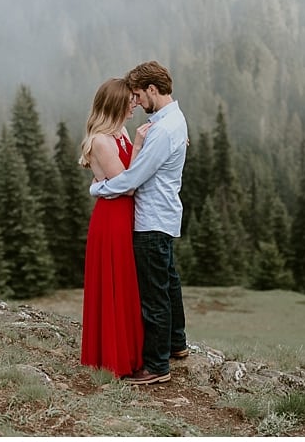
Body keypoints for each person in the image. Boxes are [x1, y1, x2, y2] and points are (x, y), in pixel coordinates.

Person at [90, 61, 189, 386]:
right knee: (169, 281)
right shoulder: (173, 120)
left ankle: (157, 365)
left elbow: (132, 179)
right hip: (162, 213)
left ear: (151, 90)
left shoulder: (162, 130)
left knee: (155, 293)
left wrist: (98, 188)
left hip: (150, 218)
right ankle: (176, 344)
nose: (135, 103)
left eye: (137, 96)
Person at [78, 78, 143, 377]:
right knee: (114, 283)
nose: (134, 105)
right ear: (116, 103)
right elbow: (128, 186)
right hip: (112, 219)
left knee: (126, 283)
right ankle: (114, 360)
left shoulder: (120, 132)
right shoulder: (102, 141)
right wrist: (141, 146)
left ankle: (128, 353)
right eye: (130, 100)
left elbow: (123, 180)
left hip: (124, 215)